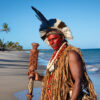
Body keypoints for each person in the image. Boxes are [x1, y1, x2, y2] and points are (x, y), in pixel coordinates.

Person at [30, 7, 97, 100]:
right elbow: (55, 80)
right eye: (49, 40)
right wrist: (40, 78)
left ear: (62, 38)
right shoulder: (56, 55)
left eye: (54, 39)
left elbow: (78, 81)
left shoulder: (71, 54)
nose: (51, 42)